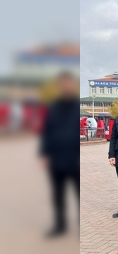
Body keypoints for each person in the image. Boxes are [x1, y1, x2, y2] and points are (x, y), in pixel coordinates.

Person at [39, 72, 80, 237]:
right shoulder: (53, 107)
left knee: (77, 192)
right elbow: (46, 131)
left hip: (75, 158)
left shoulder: (77, 107)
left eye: (68, 83)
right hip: (56, 158)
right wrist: (44, 154)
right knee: (57, 193)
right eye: (63, 84)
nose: (66, 86)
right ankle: (59, 225)